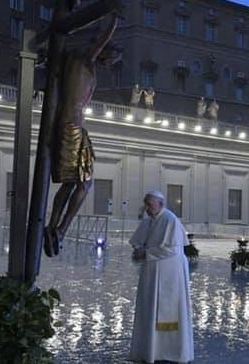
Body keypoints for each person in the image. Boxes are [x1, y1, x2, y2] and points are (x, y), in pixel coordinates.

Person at [43, 13, 121, 257]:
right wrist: (113, 17)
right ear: (104, 52)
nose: (111, 63)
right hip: (73, 128)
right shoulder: (86, 59)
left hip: (68, 126)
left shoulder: (71, 64)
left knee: (69, 183)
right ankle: (61, 230)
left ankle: (53, 228)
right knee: (85, 185)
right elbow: (100, 39)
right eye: (113, 58)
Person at [129, 191, 194, 363]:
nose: (147, 208)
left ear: (160, 203)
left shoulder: (170, 220)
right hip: (152, 272)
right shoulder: (150, 220)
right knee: (150, 308)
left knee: (168, 309)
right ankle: (151, 350)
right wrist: (138, 249)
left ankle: (169, 351)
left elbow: (171, 249)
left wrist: (146, 253)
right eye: (146, 205)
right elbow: (139, 240)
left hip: (170, 273)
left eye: (150, 205)